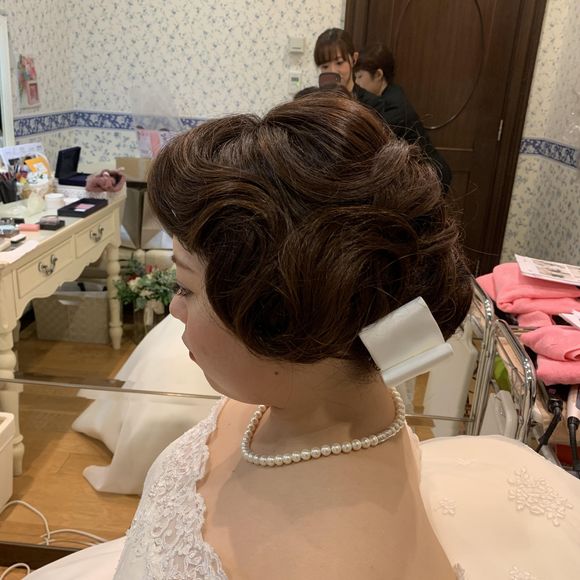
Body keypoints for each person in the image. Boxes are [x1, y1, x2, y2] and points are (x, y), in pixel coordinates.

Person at [26, 94, 580, 580]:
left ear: (280, 317)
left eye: (187, 288)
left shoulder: (337, 562)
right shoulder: (291, 400)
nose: (173, 308)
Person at [314, 29, 452, 192]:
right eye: (325, 66)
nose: (332, 71)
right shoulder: (318, 104)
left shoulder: (374, 105)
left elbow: (372, 161)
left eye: (339, 62)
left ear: (354, 59)